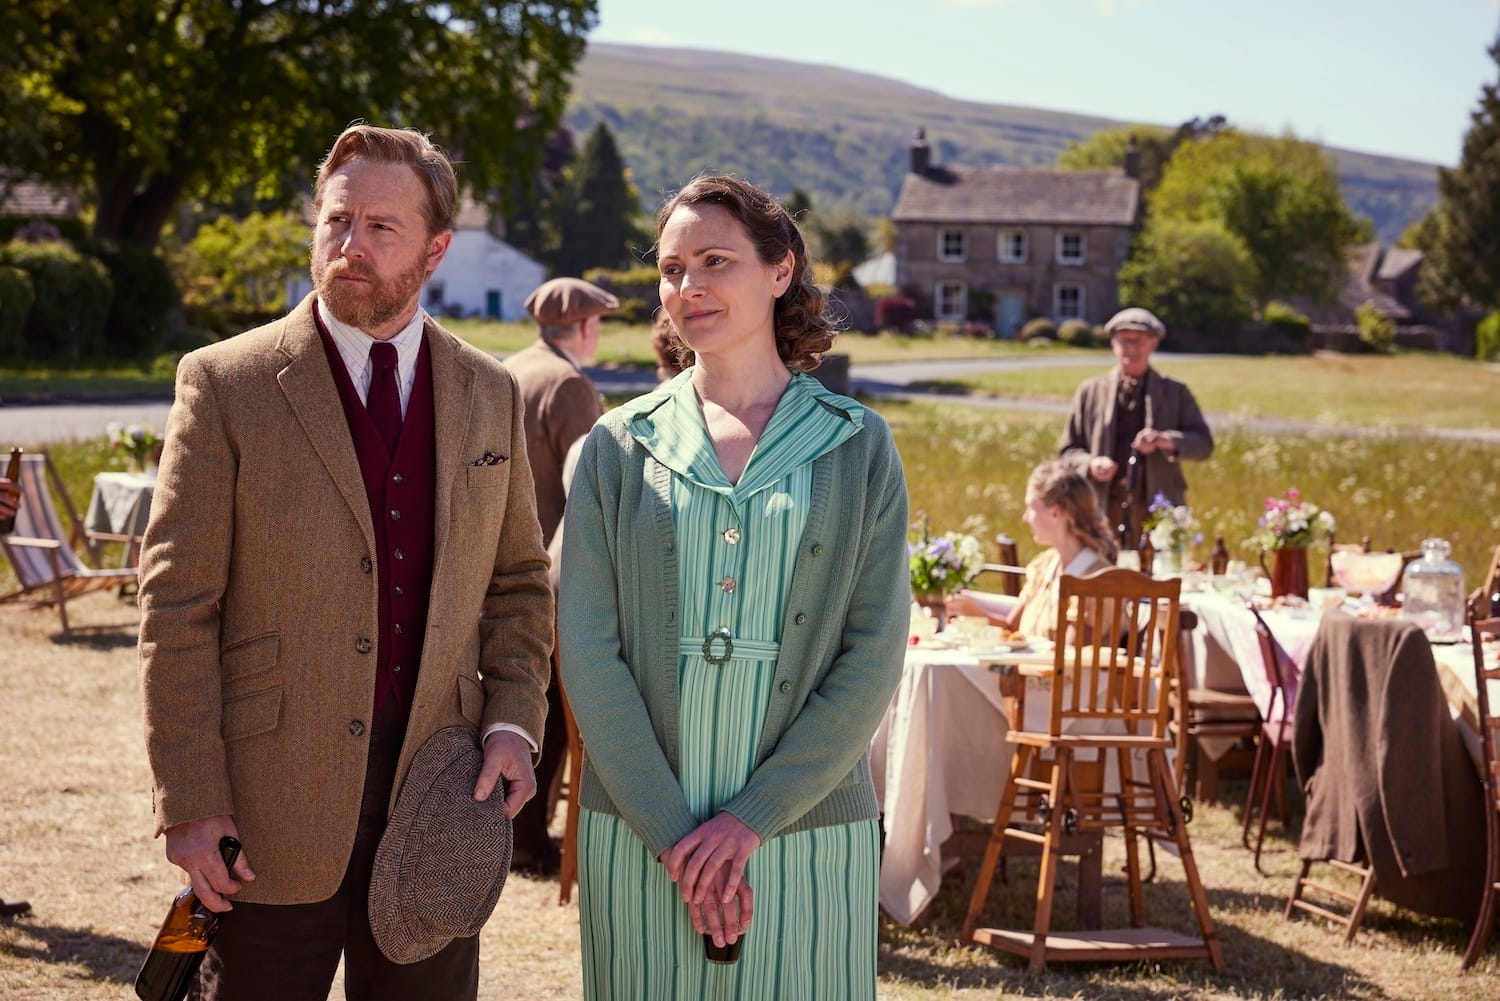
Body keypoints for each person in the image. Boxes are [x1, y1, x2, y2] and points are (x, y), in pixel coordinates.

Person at [137, 124, 553, 1001]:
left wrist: (515, 718)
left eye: (381, 228)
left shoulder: (489, 391)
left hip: (443, 797)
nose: (350, 246)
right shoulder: (226, 383)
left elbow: (517, 581)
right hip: (267, 807)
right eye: (337, 221)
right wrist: (190, 797)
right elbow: (177, 605)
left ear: (437, 247)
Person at [558, 175, 910, 999]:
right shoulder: (619, 443)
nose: (691, 286)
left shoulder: (857, 446)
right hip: (644, 826)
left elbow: (873, 653)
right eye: (673, 268)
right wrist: (680, 836)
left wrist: (747, 821)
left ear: (781, 270)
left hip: (807, 821)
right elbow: (586, 645)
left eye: (716, 260)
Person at [504, 276, 616, 875]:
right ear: (587, 327)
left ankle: (516, 834)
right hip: (550, 566)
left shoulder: (511, 367)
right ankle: (527, 838)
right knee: (551, 707)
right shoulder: (570, 384)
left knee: (517, 703)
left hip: (496, 560)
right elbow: (592, 484)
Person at [1059, 306, 1213, 544]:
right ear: (1113, 344)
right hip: (1100, 508)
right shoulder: (1090, 391)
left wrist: (1166, 440)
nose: (1130, 348)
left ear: (1154, 344)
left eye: (1138, 340)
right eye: (1123, 340)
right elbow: (1067, 452)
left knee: (1158, 577)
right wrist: (1091, 464)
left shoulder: (1175, 392)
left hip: (1157, 511)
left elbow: (1204, 445)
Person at [948, 460, 1117, 639]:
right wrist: (974, 614)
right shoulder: (1044, 566)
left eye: (1031, 508)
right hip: (1028, 665)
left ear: (1055, 513)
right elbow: (1013, 629)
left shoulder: (1095, 581)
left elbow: (1069, 658)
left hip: (1052, 667)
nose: (1025, 517)